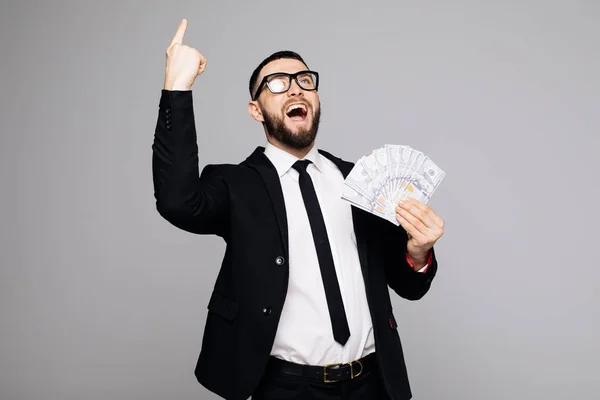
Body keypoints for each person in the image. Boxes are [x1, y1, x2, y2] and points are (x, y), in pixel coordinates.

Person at [152, 18, 445, 400]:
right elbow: (177, 201)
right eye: (277, 84)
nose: (295, 89)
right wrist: (177, 86)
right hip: (286, 388)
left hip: (374, 383)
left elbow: (406, 285)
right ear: (256, 110)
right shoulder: (237, 185)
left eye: (305, 80)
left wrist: (418, 252)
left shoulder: (362, 182)